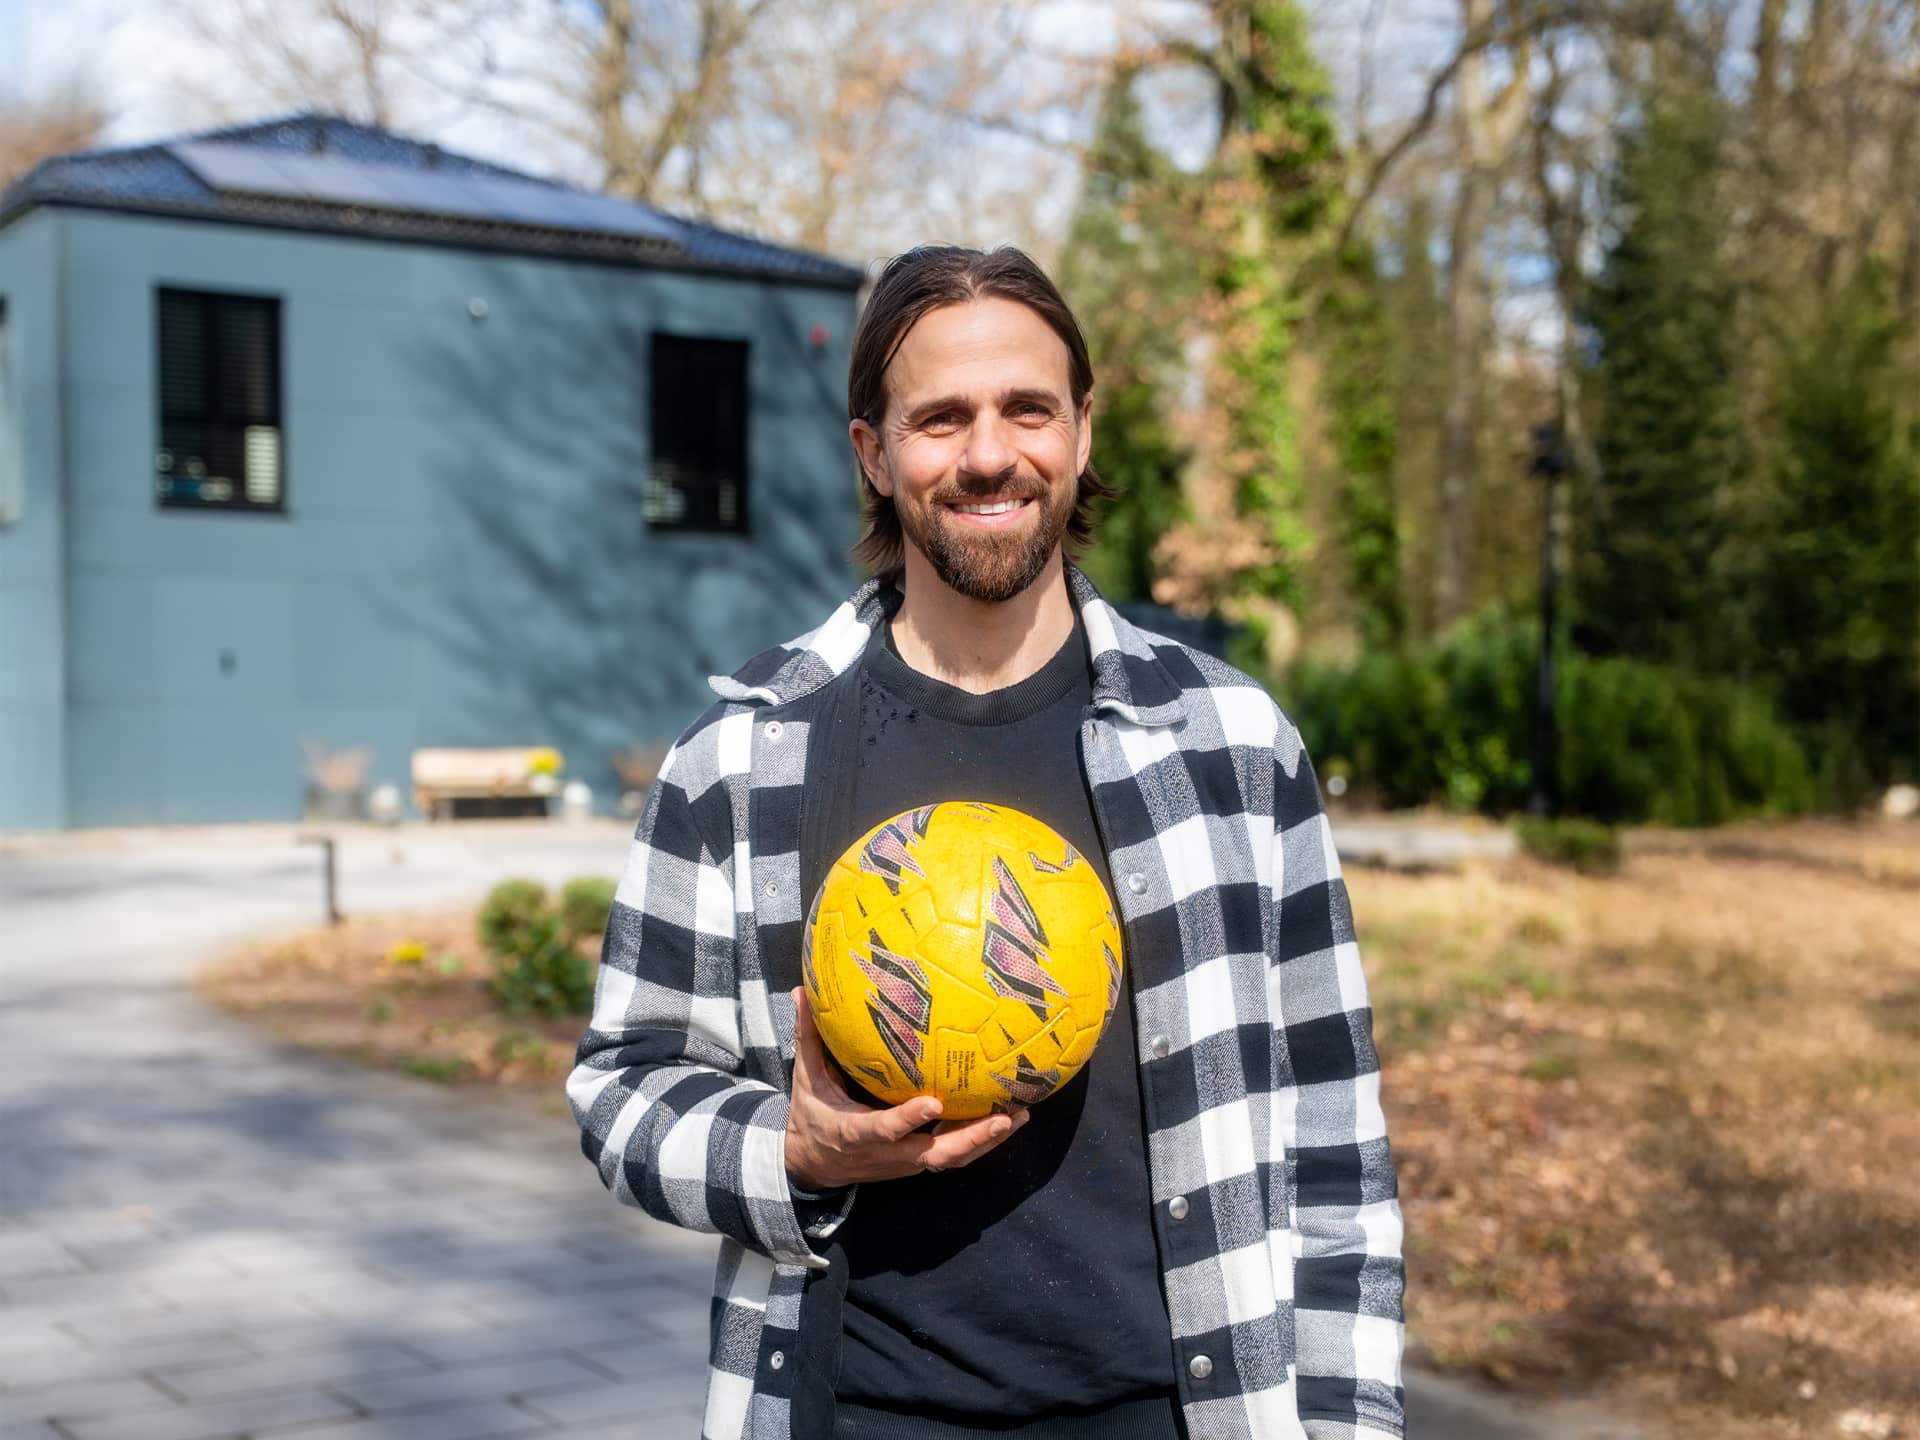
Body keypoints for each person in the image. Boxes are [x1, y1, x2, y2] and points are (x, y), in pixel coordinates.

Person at [566, 244, 1406, 1440]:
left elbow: (1335, 1153)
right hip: (854, 1411)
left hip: (1180, 1414)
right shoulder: (744, 759)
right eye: (941, 418)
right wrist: (793, 1152)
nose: (990, 454)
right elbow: (620, 1085)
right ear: (872, 452)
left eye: (1028, 409)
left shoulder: (1229, 745)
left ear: (1083, 430)